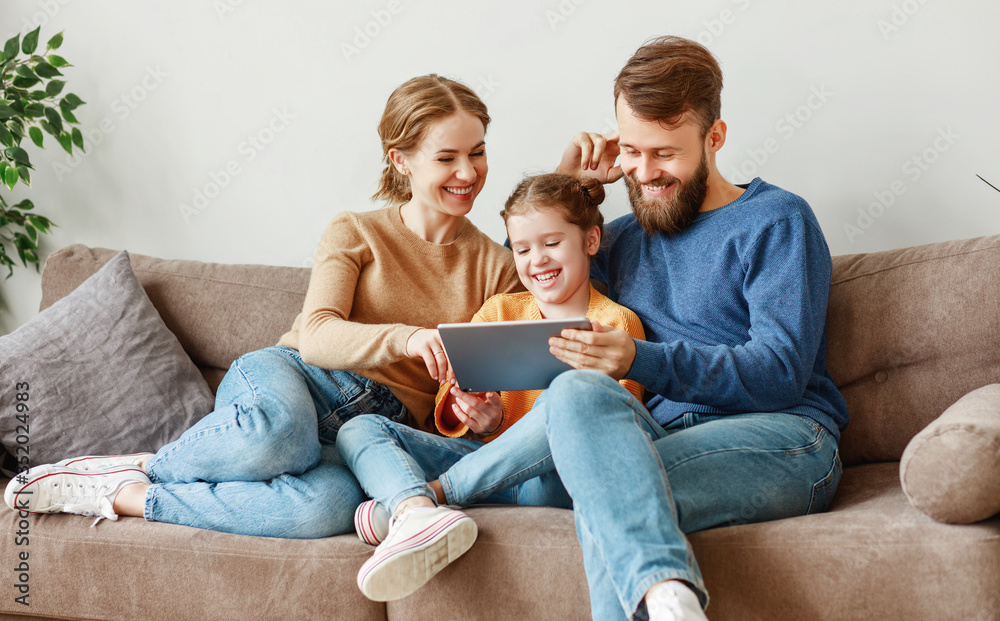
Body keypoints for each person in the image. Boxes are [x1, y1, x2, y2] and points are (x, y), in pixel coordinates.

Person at [3, 74, 522, 539]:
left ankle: (126, 493)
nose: (468, 172)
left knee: (327, 510)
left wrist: (475, 416)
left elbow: (466, 397)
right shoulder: (356, 231)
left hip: (376, 435)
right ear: (400, 159)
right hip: (297, 380)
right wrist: (407, 337)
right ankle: (154, 464)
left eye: (477, 153)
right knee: (281, 435)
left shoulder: (496, 267)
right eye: (447, 157)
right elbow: (318, 334)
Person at [537, 36, 850, 621]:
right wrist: (568, 189)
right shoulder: (622, 237)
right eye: (630, 151)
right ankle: (669, 599)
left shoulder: (777, 219)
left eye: (665, 153)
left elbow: (780, 373)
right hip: (661, 435)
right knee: (576, 391)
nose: (645, 173)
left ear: (715, 138)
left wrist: (639, 360)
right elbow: (534, 282)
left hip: (785, 435)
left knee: (608, 499)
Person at [335, 172, 646, 602]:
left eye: (552, 243)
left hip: (552, 480)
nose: (537, 260)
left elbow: (613, 426)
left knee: (567, 402)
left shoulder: (616, 325)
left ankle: (425, 500)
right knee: (359, 429)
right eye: (522, 248)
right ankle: (416, 511)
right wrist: (481, 418)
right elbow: (451, 390)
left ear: (590, 241)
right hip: (484, 460)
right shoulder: (500, 308)